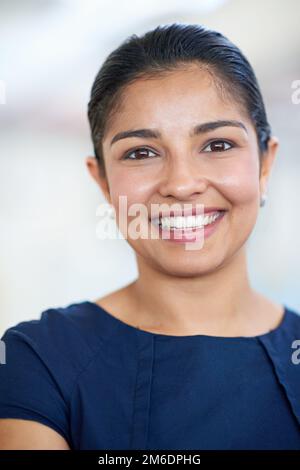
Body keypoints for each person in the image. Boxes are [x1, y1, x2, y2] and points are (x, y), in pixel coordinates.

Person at [0, 23, 300, 450]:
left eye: (216, 145)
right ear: (102, 182)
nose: (181, 183)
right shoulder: (39, 360)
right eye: (141, 153)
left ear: (265, 166)